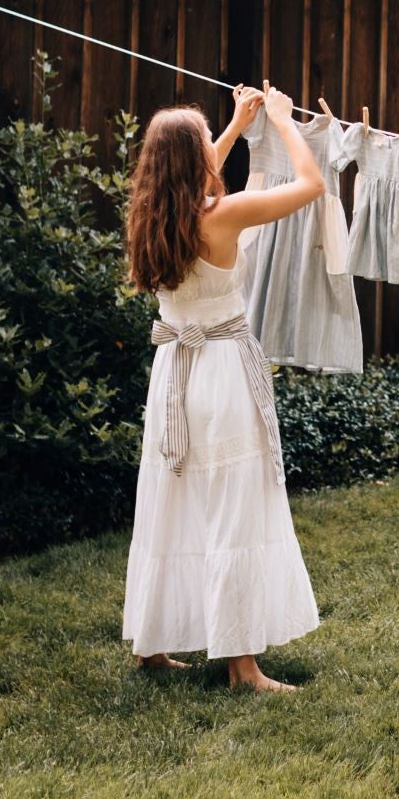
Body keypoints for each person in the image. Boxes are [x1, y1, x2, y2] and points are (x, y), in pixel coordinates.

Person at [120, 83, 326, 690]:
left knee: (170, 502)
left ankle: (151, 647)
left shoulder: (148, 219)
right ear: (197, 163)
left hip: (174, 380)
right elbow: (311, 186)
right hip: (220, 376)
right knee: (232, 507)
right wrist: (287, 124)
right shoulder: (224, 215)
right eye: (209, 145)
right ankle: (242, 667)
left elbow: (194, 165)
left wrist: (234, 125)